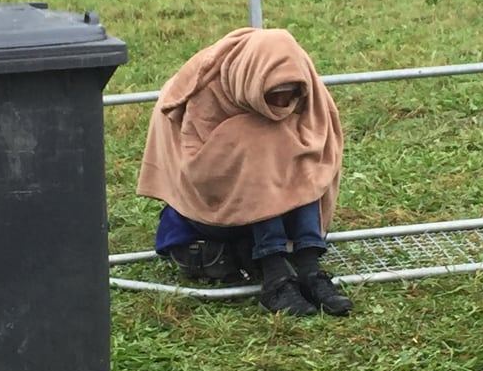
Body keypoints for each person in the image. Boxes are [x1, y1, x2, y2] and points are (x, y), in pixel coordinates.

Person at [137, 27, 353, 316]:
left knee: (296, 151)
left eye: (290, 96)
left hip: (281, 198)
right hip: (210, 209)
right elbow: (200, 174)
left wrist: (281, 147)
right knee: (257, 143)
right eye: (274, 95)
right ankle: (275, 275)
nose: (282, 105)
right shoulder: (207, 90)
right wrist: (254, 146)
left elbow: (320, 142)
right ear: (253, 81)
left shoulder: (305, 81)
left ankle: (310, 268)